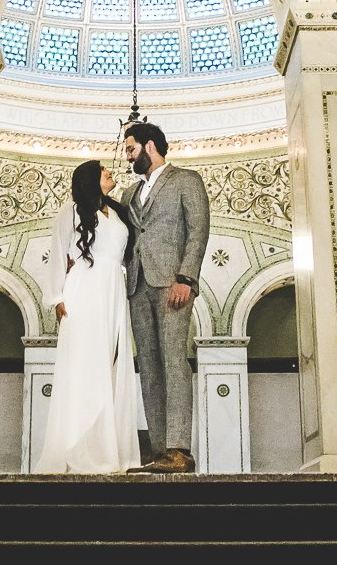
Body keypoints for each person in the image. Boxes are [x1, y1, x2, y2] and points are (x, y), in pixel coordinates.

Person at [34, 160, 141, 474]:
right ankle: (80, 448)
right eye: (103, 170)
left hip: (113, 291)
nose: (110, 172)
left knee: (113, 362)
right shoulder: (70, 212)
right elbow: (57, 254)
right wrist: (56, 297)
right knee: (86, 365)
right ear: (89, 179)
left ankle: (111, 448)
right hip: (83, 289)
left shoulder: (119, 212)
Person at [121, 121, 210, 474]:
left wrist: (186, 277)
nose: (128, 156)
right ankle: (159, 450)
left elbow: (198, 230)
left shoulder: (186, 180)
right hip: (137, 286)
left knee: (174, 362)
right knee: (149, 368)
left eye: (131, 149)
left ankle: (178, 448)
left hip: (173, 283)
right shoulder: (129, 193)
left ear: (150, 146)